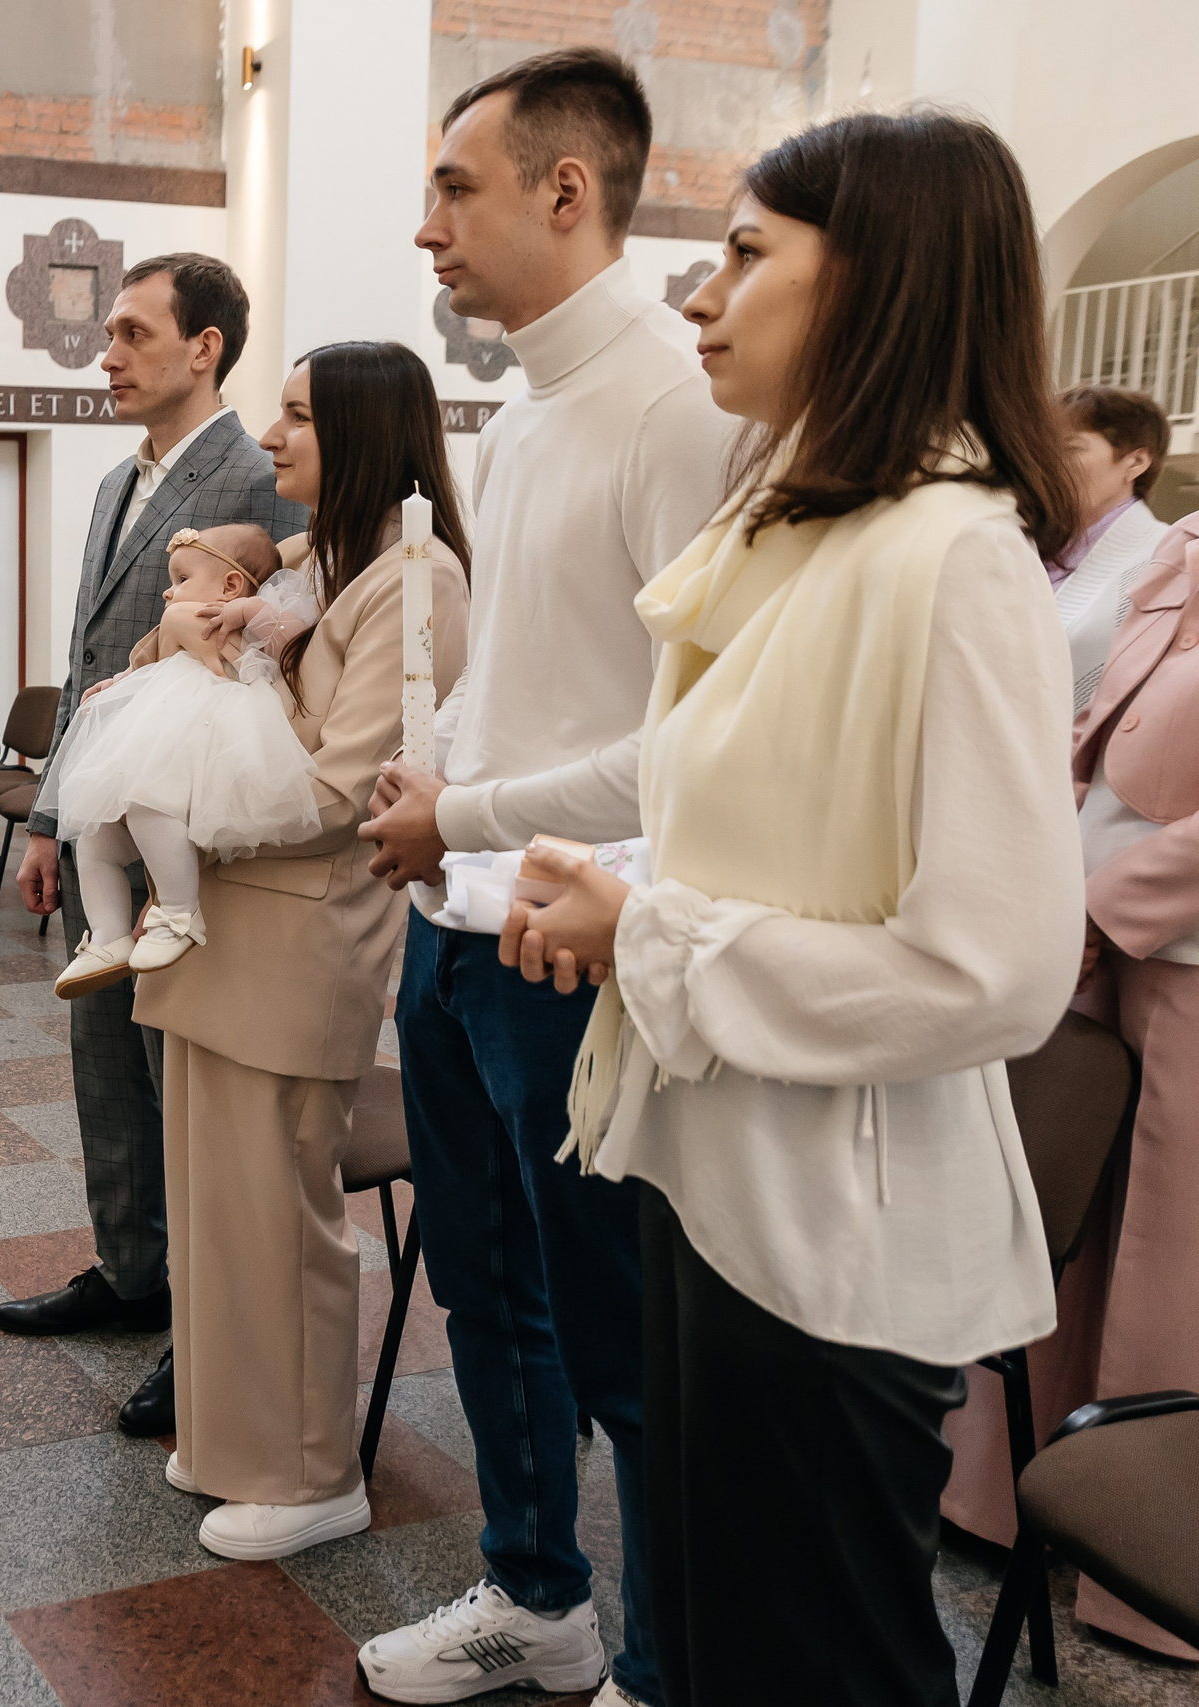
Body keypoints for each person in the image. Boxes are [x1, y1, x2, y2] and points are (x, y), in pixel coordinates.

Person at [503, 109, 1084, 1705]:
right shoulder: (808, 532)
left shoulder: (955, 559)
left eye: (750, 254)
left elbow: (996, 971)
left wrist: (652, 936)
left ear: (877, 280)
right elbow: (753, 823)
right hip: (723, 1173)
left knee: (817, 1665)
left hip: (839, 1235)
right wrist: (612, 892)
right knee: (716, 1643)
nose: (704, 296)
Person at [352, 48, 730, 1707]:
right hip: (458, 920)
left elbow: (695, 746)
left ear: (567, 193)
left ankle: (662, 1661)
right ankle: (535, 1591)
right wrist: (440, 804)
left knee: (616, 1330)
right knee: (484, 1289)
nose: (424, 225)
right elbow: (525, 671)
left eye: (456, 188)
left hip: (568, 937)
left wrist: (472, 810)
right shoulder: (519, 412)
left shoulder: (676, 401)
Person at [128, 339, 470, 1559]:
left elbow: (337, 787)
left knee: (281, 1213)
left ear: (372, 434)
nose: (270, 441)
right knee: (216, 1209)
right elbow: (171, 647)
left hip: (300, 934)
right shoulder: (322, 559)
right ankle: (234, 1441)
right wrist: (202, 640)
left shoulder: (412, 582)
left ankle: (315, 1469)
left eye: (297, 420)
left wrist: (236, 659)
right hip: (228, 929)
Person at [0, 253, 307, 1442]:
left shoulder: (260, 473)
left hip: (195, 836)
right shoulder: (118, 482)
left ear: (205, 349)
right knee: (101, 1059)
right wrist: (47, 815)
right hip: (101, 812)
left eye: (132, 332)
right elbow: (87, 666)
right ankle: (130, 1274)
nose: (107, 353)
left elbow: (282, 657)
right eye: (110, 334)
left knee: (186, 1082)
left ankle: (204, 1328)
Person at [941, 515, 1199, 1663]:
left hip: (1171, 942)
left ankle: (1149, 1571)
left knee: (1166, 1260)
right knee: (1064, 1236)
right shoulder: (1183, 544)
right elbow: (1094, 727)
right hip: (1096, 928)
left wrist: (1105, 901)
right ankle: (1004, 1498)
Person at [48, 520, 323, 995]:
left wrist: (250, 609)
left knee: (148, 800)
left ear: (231, 584)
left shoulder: (244, 618)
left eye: (181, 579)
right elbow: (146, 665)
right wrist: (117, 685)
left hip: (214, 739)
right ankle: (110, 935)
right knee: (94, 832)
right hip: (158, 736)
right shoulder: (174, 626)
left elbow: (297, 644)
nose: (167, 593)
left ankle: (178, 910)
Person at [1047, 384, 1172, 712]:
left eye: (1071, 448)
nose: (1050, 465)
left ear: (1135, 462)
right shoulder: (1025, 545)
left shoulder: (1169, 556)